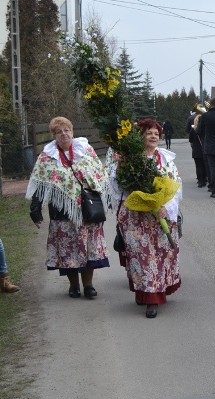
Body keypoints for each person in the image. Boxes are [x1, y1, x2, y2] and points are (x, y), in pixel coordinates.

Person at [26, 117, 109, 299]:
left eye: (66, 130)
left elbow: (100, 175)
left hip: (87, 210)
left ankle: (88, 286)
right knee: (68, 251)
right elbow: (40, 184)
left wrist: (105, 199)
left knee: (88, 249)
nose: (64, 134)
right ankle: (73, 286)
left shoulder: (86, 151)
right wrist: (35, 209)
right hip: (62, 212)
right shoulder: (46, 158)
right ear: (54, 135)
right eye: (59, 132)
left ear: (72, 132)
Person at [110, 119, 182, 318]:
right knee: (142, 256)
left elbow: (176, 186)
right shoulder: (129, 160)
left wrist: (165, 208)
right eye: (149, 133)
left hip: (161, 217)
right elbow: (117, 187)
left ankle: (154, 293)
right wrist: (141, 197)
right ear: (140, 136)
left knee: (161, 255)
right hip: (136, 217)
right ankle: (149, 296)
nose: (153, 136)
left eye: (156, 134)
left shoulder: (166, 159)